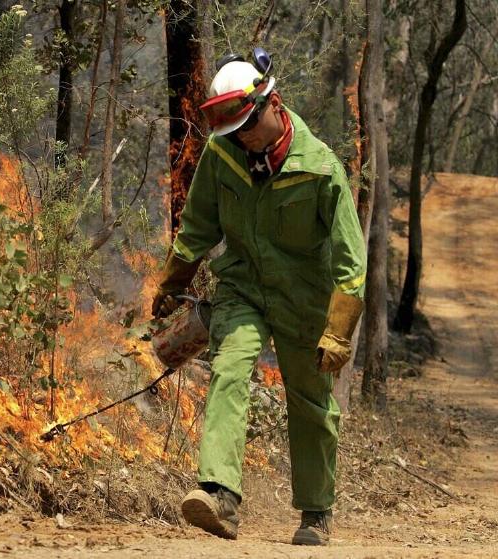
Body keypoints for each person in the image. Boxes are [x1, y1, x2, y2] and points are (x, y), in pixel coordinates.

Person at [151, 49, 366, 546]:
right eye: (232, 130)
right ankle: (220, 496)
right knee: (229, 370)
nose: (242, 137)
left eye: (248, 124)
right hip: (243, 288)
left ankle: (315, 513)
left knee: (310, 401)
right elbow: (200, 222)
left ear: (275, 105)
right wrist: (172, 281)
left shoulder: (321, 169)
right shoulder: (223, 153)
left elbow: (351, 263)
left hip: (303, 298)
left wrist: (337, 331)